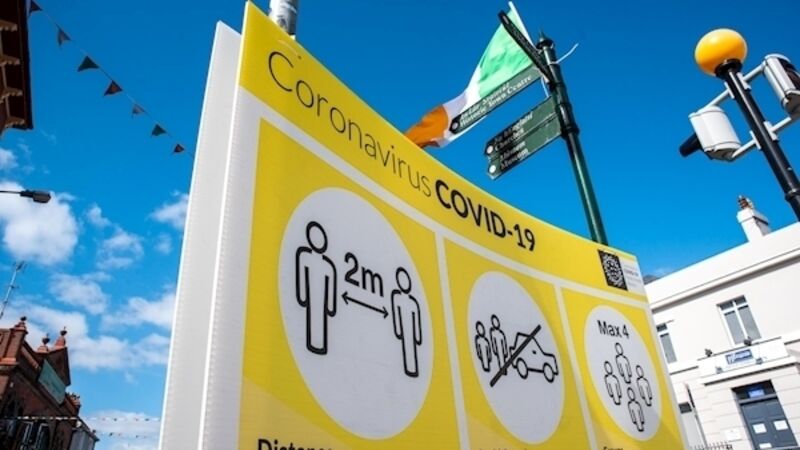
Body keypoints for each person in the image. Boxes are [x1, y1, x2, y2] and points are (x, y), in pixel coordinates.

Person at [295, 221, 338, 355]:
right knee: (312, 321)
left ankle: (320, 346)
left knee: (321, 324)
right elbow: (301, 277)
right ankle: (314, 345)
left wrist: (330, 307)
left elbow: (331, 288)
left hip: (322, 302)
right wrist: (302, 297)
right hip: (311, 297)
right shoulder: (304, 256)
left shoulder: (328, 266)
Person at [391, 267, 422, 377]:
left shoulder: (413, 303)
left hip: (411, 333)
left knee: (412, 352)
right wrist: (398, 331)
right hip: (404, 331)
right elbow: (396, 315)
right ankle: (410, 369)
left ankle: (412, 370)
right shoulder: (396, 297)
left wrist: (417, 337)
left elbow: (417, 321)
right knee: (407, 351)